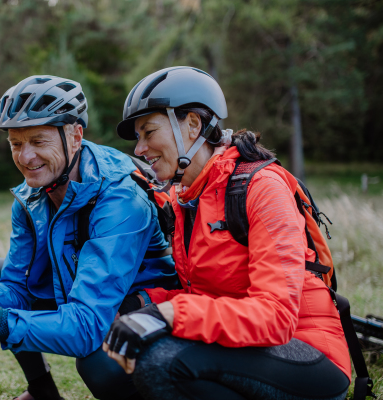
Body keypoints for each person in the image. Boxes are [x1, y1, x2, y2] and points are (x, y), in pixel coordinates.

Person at [0, 75, 177, 400]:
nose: (25, 158)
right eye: (16, 143)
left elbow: (86, 326)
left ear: (75, 136)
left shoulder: (119, 197)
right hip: (80, 292)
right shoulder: (33, 194)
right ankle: (43, 393)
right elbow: (17, 288)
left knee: (99, 359)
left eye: (38, 142)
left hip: (138, 305)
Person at [103, 66, 351, 400]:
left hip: (306, 352)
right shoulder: (183, 197)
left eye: (148, 132)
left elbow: (275, 318)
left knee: (163, 361)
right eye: (138, 138)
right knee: (116, 351)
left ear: (192, 125)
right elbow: (208, 296)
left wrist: (168, 314)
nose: (140, 149)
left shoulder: (262, 188)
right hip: (247, 347)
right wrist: (142, 304)